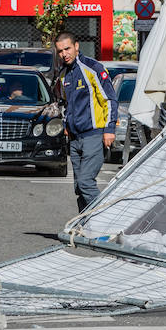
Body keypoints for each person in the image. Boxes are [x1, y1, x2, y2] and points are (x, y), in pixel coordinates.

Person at [54, 31, 118, 212]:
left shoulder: (93, 68)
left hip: (94, 134)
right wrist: (66, 124)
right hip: (75, 139)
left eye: (67, 49)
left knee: (86, 182)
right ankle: (84, 226)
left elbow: (110, 100)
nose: (64, 54)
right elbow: (66, 103)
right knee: (79, 187)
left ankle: (105, 220)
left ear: (76, 46)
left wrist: (109, 129)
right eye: (60, 51)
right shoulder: (64, 74)